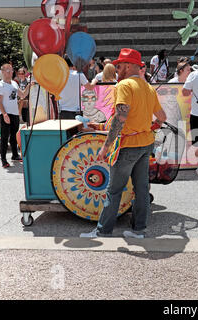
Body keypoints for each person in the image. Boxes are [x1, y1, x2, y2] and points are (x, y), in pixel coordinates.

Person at [80, 48, 167, 239]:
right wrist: (150, 127)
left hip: (128, 146)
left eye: (119, 65)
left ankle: (103, 231)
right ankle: (139, 230)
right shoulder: (148, 87)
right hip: (145, 144)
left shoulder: (124, 86)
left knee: (114, 190)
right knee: (142, 189)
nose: (117, 69)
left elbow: (121, 116)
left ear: (128, 66)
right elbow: (162, 117)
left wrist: (106, 146)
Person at [0, 64, 31, 168]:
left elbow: (22, 95)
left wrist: (28, 86)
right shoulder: (0, 85)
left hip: (14, 113)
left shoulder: (14, 83)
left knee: (14, 136)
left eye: (11, 71)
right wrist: (4, 114)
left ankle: (15, 155)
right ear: (3, 72)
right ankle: (3, 160)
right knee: (4, 138)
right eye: (8, 71)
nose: (11, 73)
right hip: (6, 113)